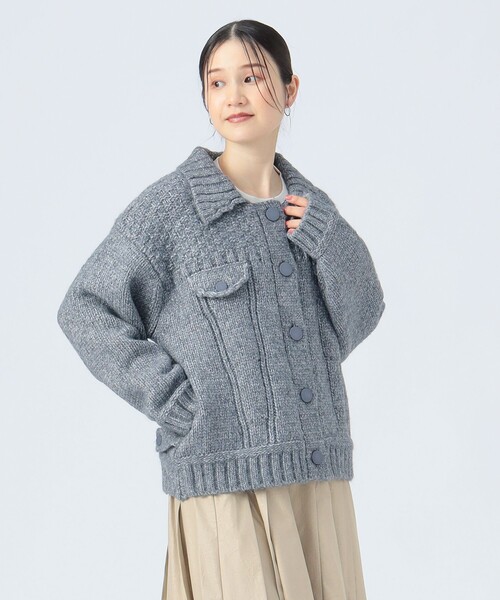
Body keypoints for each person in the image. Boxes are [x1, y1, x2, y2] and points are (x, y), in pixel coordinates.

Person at [57, 19, 386, 600]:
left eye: (252, 78)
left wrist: (328, 236)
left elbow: (361, 313)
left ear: (290, 89)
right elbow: (85, 308)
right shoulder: (170, 210)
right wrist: (177, 402)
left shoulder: (310, 208)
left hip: (318, 485)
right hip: (225, 486)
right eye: (217, 82)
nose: (233, 96)